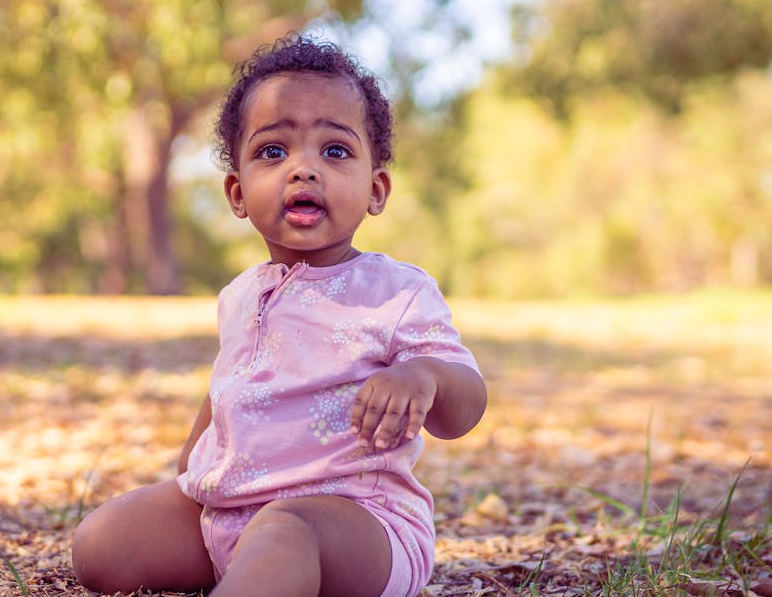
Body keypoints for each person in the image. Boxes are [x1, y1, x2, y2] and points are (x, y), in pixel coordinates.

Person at [70, 34, 487, 597]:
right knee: (101, 544)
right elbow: (228, 388)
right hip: (231, 508)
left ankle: (263, 575)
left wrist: (424, 376)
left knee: (285, 533)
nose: (303, 170)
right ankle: (250, 575)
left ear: (376, 188)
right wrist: (187, 472)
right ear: (238, 193)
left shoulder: (395, 292)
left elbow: (464, 407)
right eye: (273, 151)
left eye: (335, 151)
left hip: (355, 525)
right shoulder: (240, 295)